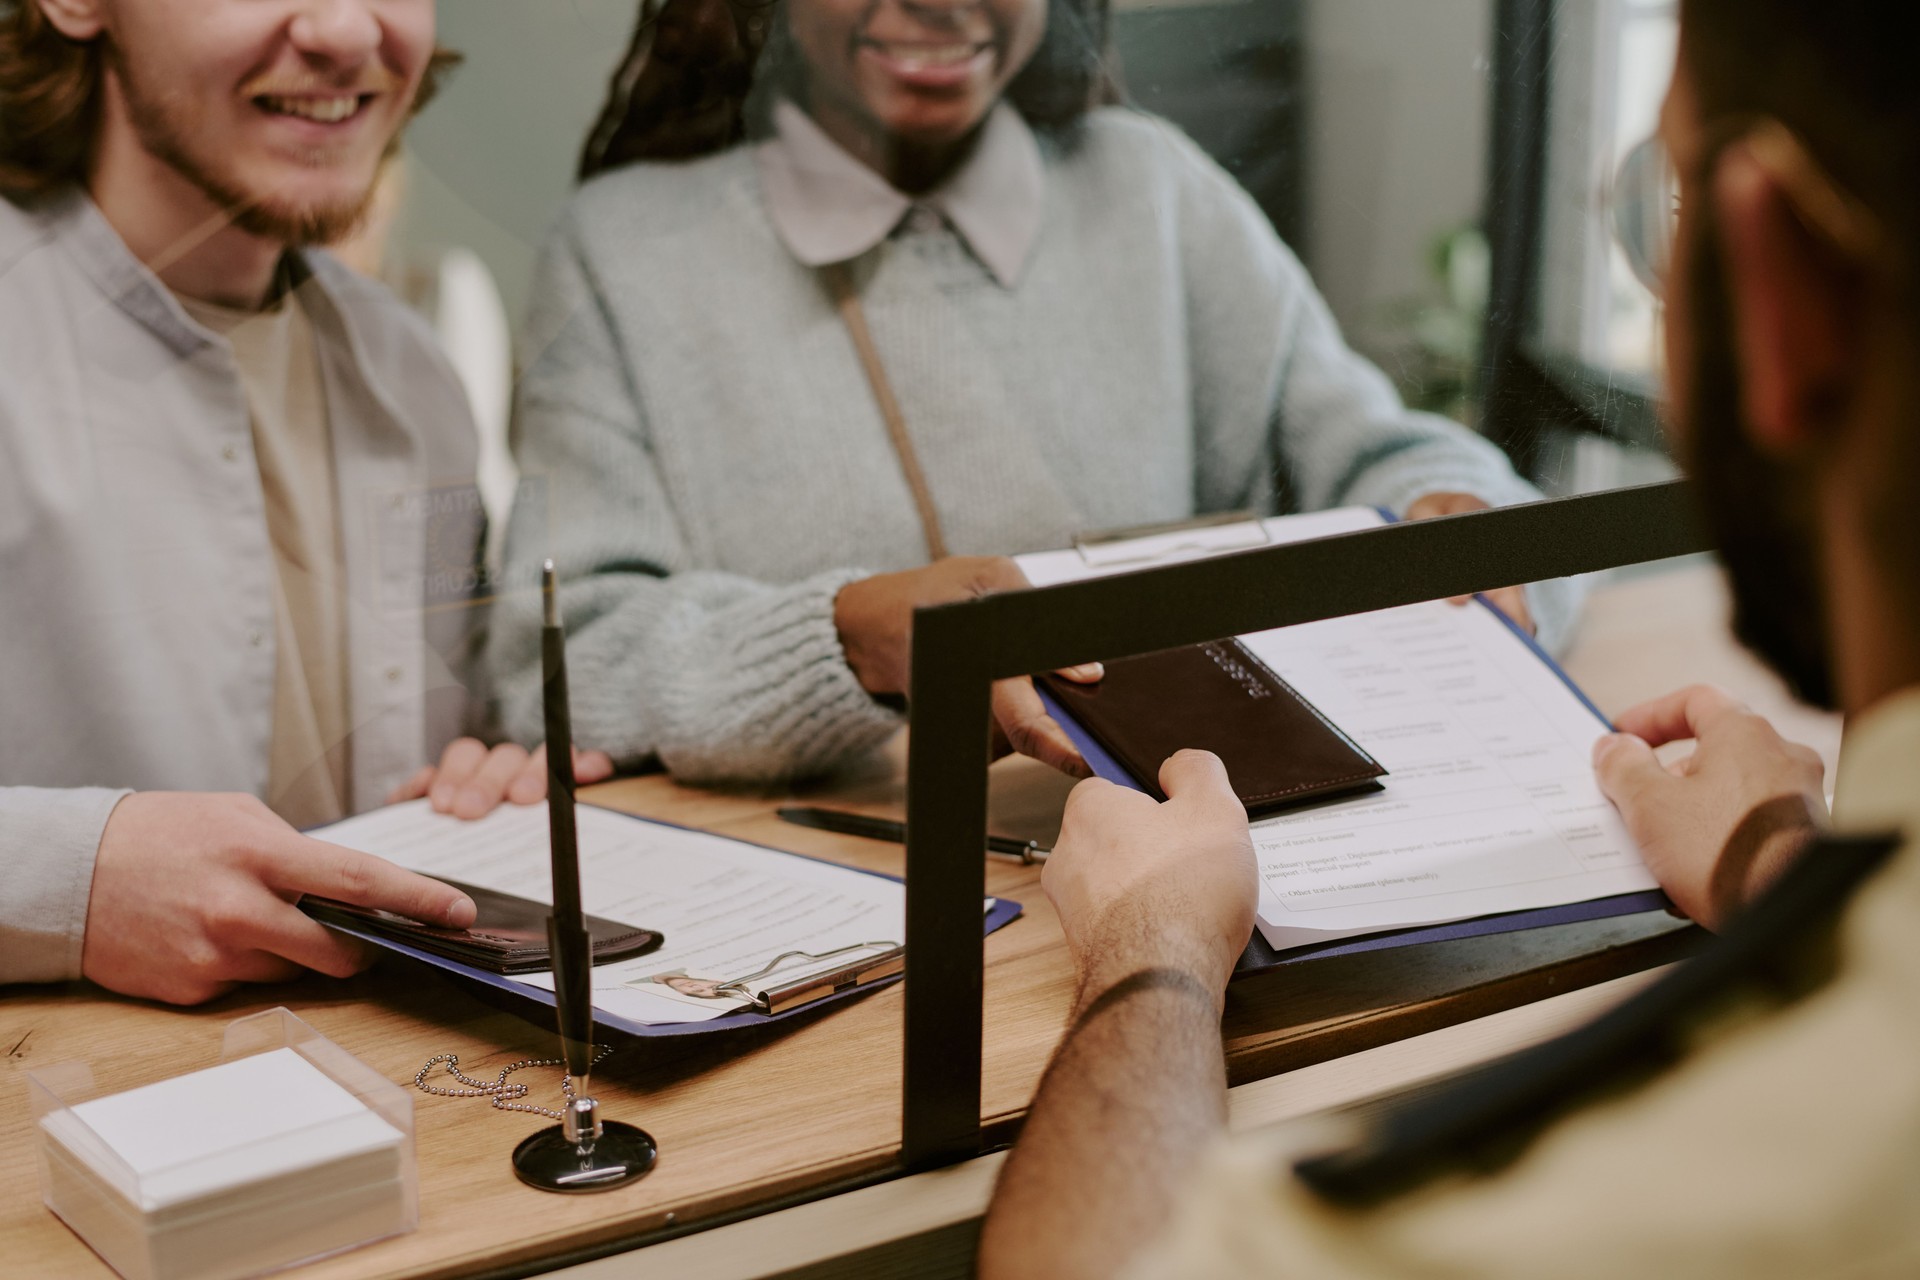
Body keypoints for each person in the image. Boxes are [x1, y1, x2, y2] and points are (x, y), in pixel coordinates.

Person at [976, 0, 1920, 1274]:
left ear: (1779, 288)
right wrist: (1778, 867)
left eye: (1666, 213)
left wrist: (1155, 945)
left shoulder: (1637, 1182)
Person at [484, 0, 1572, 787]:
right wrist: (848, 634)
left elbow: (1379, 451)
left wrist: (1462, 521)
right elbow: (564, 662)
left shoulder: (1153, 188)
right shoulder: (624, 249)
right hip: (872, 935)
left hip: (1215, 872)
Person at [0, 0, 607, 1005]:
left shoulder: (413, 372)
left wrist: (493, 768)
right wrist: (72, 879)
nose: (346, 31)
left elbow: (457, 708)